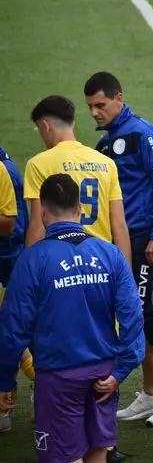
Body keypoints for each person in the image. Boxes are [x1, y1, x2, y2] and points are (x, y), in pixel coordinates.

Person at [0, 174, 145, 463]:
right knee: (97, 451)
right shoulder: (110, 254)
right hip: (104, 374)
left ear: (42, 210)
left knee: (64, 457)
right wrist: (120, 371)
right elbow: (133, 316)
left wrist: (5, 379)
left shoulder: (31, 260)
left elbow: (13, 329)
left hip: (58, 376)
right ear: (80, 209)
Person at [84, 72, 153, 427]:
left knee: (148, 312)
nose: (95, 113)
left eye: (100, 105)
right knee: (132, 313)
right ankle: (152, 391)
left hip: (147, 239)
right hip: (123, 242)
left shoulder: (142, 134)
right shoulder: (105, 145)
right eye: (90, 107)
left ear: (119, 98)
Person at [24, 96, 130, 258]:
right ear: (72, 123)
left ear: (45, 126)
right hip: (101, 260)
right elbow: (119, 225)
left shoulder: (38, 164)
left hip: (61, 260)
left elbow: (38, 226)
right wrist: (126, 269)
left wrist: (29, 266)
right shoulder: (107, 163)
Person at [0, 144, 31, 433]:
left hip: (6, 264)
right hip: (9, 262)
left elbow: (10, 225)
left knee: (11, 336)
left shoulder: (4, 171)